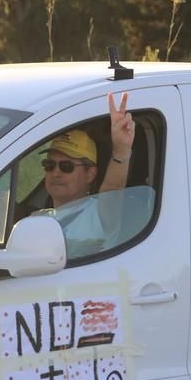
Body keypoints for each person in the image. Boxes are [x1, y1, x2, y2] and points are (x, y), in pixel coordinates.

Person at [36, 92, 135, 257]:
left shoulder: (98, 214)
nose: (56, 172)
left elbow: (114, 187)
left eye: (67, 166)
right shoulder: (37, 219)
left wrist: (121, 150)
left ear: (90, 174)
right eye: (49, 165)